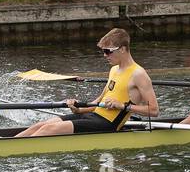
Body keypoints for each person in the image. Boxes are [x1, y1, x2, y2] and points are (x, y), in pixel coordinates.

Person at [18, 28, 158, 136]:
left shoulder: (138, 74)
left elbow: (154, 110)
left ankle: (14, 149)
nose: (104, 55)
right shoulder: (114, 70)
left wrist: (122, 106)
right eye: (103, 51)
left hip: (108, 124)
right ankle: (5, 143)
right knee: (41, 125)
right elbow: (99, 101)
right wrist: (79, 109)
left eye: (108, 51)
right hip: (94, 116)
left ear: (122, 49)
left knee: (50, 128)